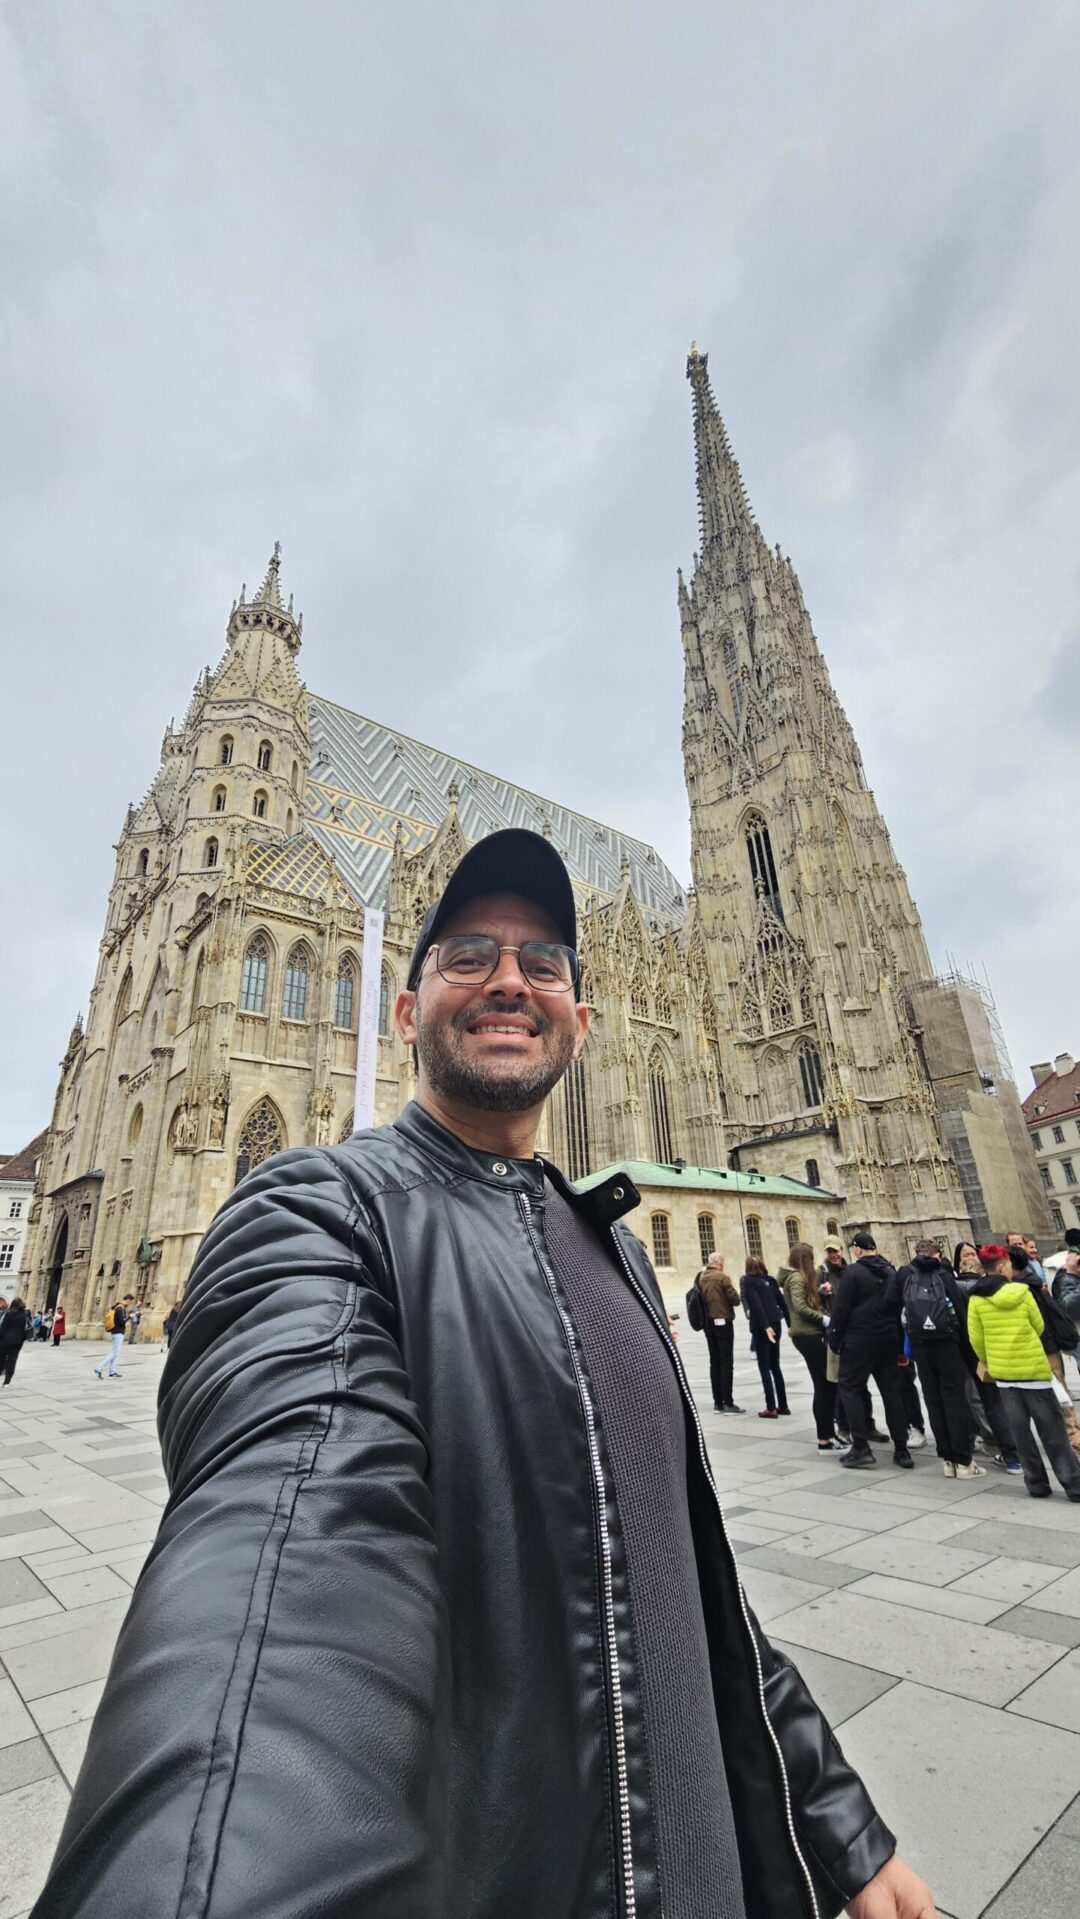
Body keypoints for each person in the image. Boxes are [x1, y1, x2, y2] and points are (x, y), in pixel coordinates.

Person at [32, 828, 935, 1919]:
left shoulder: (617, 1256)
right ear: (403, 1012)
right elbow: (278, 1582)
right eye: (467, 954)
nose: (509, 979)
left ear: (583, 1022)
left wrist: (842, 1825)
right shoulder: (318, 1216)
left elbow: (690, 1587)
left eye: (543, 962)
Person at [968, 1245, 1080, 1503]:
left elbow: (977, 1340)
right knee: (1053, 1432)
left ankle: (1036, 1483)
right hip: (1034, 1372)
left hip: (1004, 1375)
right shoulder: (1022, 1292)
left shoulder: (976, 1299)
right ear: (1002, 1267)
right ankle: (1073, 1484)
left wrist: (992, 1360)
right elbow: (1038, 1325)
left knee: (1020, 1433)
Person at [891, 1241, 983, 1480]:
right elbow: (961, 1316)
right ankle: (964, 1461)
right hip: (947, 1345)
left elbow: (893, 1309)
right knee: (954, 1400)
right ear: (938, 1254)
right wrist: (970, 1354)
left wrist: (905, 1348)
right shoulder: (944, 1275)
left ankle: (947, 1460)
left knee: (933, 1401)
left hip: (921, 1347)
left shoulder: (907, 1276)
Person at [829, 1233, 912, 1469]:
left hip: (859, 1339)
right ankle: (902, 1449)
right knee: (891, 1392)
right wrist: (899, 1346)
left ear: (857, 1250)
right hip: (888, 1338)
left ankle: (861, 1447)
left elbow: (841, 1308)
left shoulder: (853, 1272)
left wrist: (834, 1338)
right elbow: (898, 1310)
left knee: (850, 1387)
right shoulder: (890, 1271)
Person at [1009, 1246, 1080, 1458]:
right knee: (1060, 1399)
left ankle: (1075, 1445)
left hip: (1043, 1350)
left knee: (1060, 1401)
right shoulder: (1032, 1282)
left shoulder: (1023, 1288)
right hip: (1047, 1349)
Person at [781, 1241, 839, 1449]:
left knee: (824, 1384)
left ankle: (828, 1436)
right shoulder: (796, 1277)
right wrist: (823, 1319)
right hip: (807, 1334)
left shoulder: (797, 1278)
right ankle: (825, 1438)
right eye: (811, 1258)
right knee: (825, 1383)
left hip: (806, 1334)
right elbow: (799, 1306)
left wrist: (819, 1292)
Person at [741, 1254, 790, 1419]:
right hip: (776, 1323)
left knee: (764, 1365)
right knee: (775, 1365)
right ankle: (783, 1405)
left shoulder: (748, 1281)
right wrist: (790, 1324)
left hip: (763, 1327)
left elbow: (756, 1304)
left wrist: (765, 1326)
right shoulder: (770, 1280)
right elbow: (782, 1302)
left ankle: (771, 1407)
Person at [696, 1251, 743, 1412]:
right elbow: (735, 1300)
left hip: (708, 1324)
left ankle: (717, 1402)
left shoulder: (700, 1277)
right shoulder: (722, 1277)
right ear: (720, 1263)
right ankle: (728, 1402)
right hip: (723, 1322)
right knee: (726, 1362)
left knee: (714, 1362)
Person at [93, 1295, 133, 1379]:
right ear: (128, 1300)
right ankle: (98, 1368)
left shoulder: (117, 1307)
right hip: (118, 1332)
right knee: (114, 1353)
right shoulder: (120, 1308)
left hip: (115, 1332)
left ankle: (112, 1372)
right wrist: (129, 1317)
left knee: (115, 1352)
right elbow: (122, 1322)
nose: (130, 1304)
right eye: (130, 1302)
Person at [0, 1297, 29, 1386]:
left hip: (4, 1341)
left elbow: (3, 1328)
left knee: (1, 1360)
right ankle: (7, 1382)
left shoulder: (9, 1314)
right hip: (18, 1341)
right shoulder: (25, 1314)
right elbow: (27, 1326)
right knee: (12, 1361)